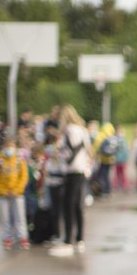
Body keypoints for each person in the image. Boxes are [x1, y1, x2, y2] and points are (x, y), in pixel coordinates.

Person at [49, 104, 92, 256]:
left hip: (72, 171)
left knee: (68, 205)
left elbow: (68, 152)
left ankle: (68, 240)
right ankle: (79, 239)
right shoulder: (82, 129)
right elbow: (87, 150)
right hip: (81, 170)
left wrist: (58, 154)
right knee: (77, 206)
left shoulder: (69, 130)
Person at [0, 135, 30, 251]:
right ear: (3, 147)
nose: (9, 148)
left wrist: (16, 190)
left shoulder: (19, 159)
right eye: (7, 146)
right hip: (3, 194)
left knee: (20, 217)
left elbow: (24, 176)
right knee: (5, 217)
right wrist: (4, 190)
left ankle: (22, 237)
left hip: (17, 193)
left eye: (11, 146)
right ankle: (7, 237)